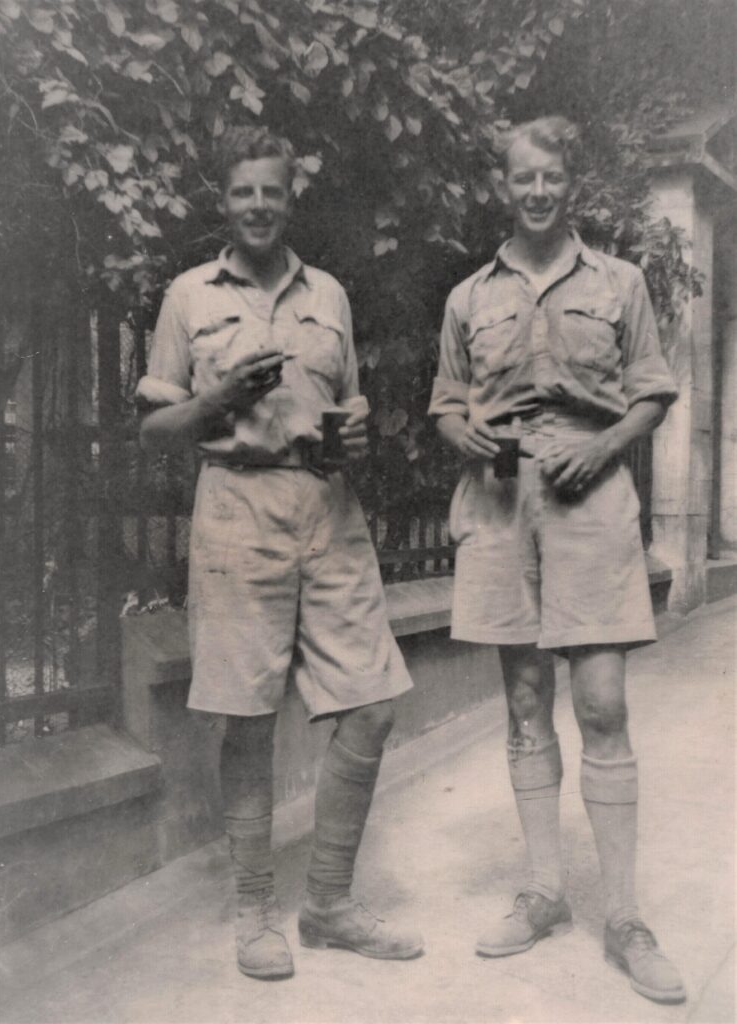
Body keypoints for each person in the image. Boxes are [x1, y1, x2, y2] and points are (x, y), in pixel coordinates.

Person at [136, 125, 422, 980]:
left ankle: (328, 903)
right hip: (236, 510)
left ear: (291, 198)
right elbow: (154, 430)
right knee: (248, 717)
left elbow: (345, 412)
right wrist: (216, 397)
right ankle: (255, 906)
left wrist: (356, 437)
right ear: (223, 203)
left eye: (272, 191)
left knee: (370, 707)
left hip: (328, 506)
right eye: (242, 192)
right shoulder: (189, 295)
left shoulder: (328, 294)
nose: (258, 205)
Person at [429, 116, 686, 1005]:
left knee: (603, 701)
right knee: (525, 696)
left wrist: (605, 445)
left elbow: (653, 391)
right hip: (502, 505)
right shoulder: (468, 297)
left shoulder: (621, 281)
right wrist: (463, 433)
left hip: (593, 497)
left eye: (551, 178)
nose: (536, 191)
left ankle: (624, 917)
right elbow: (445, 405)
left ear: (570, 185)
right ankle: (543, 891)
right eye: (522, 178)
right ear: (503, 184)